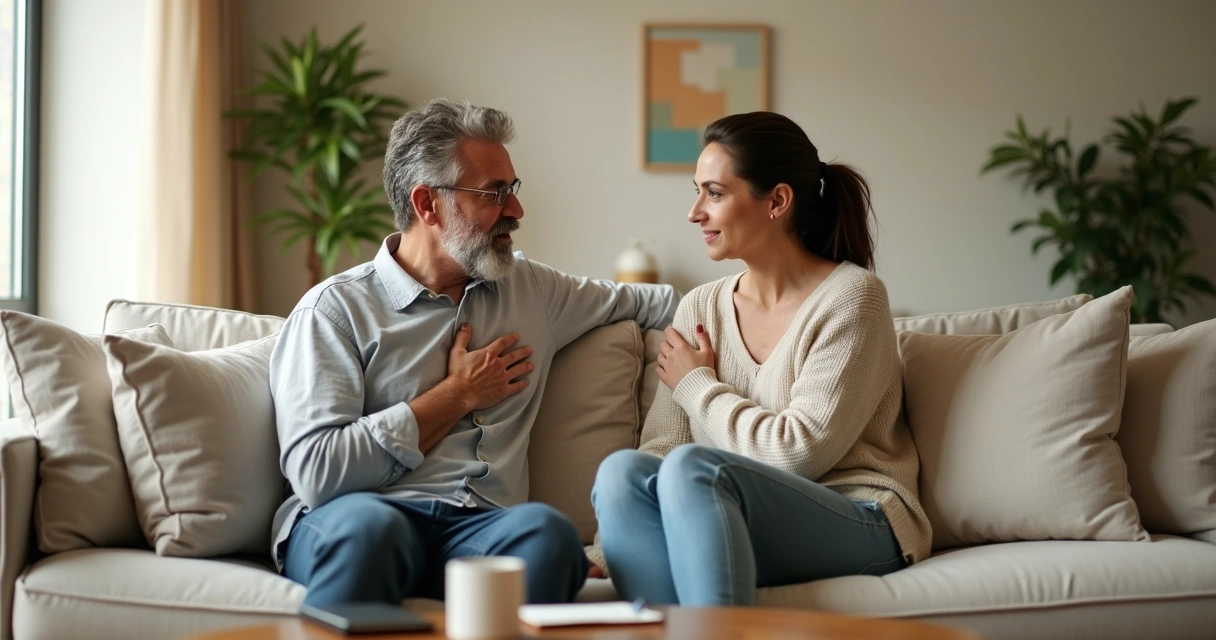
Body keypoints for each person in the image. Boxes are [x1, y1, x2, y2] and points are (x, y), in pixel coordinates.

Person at [270, 99, 679, 607]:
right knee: (370, 533)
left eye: (513, 190)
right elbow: (317, 473)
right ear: (427, 204)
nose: (516, 211)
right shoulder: (335, 311)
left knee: (546, 535)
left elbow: (660, 302)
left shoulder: (532, 290)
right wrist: (457, 395)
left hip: (479, 530)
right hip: (361, 514)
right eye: (494, 193)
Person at [589, 112, 932, 606]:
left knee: (694, 469)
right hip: (731, 514)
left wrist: (698, 385)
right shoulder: (700, 307)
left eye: (714, 193)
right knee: (621, 473)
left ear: (776, 201)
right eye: (696, 191)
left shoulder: (854, 298)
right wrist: (608, 547)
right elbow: (663, 445)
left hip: (862, 515)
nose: (694, 212)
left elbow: (798, 453)